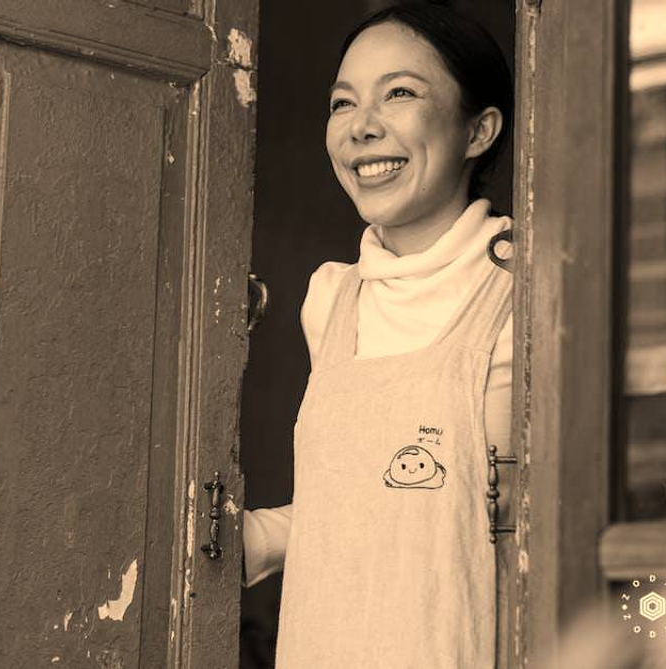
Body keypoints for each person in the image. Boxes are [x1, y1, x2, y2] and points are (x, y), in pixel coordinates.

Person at [241, 3, 514, 666]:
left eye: (399, 93)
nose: (361, 128)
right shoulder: (331, 298)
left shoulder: (523, 293)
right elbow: (374, 502)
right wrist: (249, 537)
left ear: (478, 130)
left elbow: (521, 528)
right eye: (342, 102)